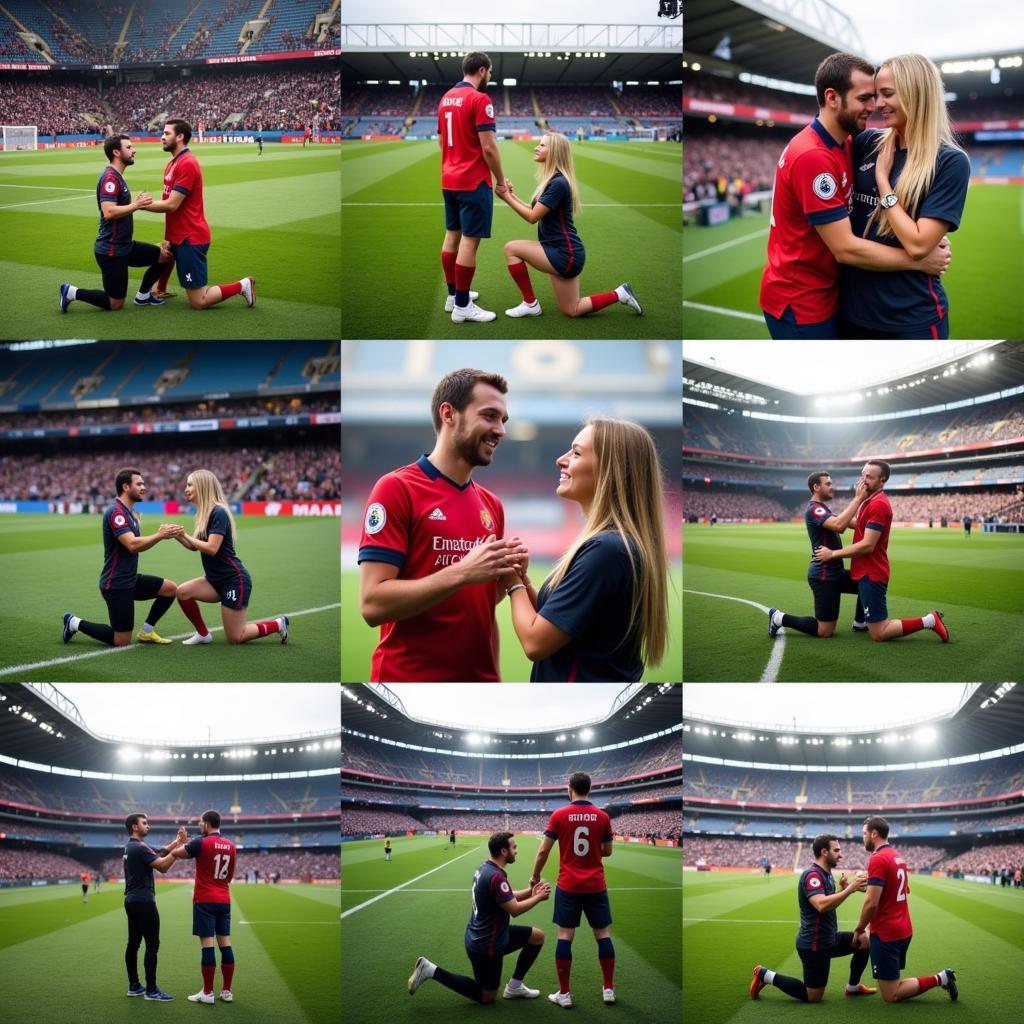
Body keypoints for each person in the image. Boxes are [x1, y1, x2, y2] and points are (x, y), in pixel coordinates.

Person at [759, 53, 951, 338]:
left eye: (876, 97)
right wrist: (918, 260)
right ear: (833, 98)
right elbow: (845, 248)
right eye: (864, 99)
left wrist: (927, 233)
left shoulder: (847, 143)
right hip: (801, 299)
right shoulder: (813, 156)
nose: (873, 107)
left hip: (831, 292)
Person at [357, 368, 527, 681]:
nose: (500, 429)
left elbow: (476, 605)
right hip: (410, 680)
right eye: (489, 416)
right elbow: (372, 604)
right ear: (448, 414)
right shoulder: (397, 488)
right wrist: (463, 571)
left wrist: (505, 581)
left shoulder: (493, 506)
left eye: (503, 420)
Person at [503, 418, 668, 682]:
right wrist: (523, 580)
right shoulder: (614, 545)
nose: (561, 459)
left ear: (610, 470)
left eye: (576, 453)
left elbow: (535, 642)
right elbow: (561, 620)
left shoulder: (607, 551)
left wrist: (511, 583)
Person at [840, 55, 971, 339]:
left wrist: (883, 184)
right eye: (876, 95)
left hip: (912, 318)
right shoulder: (865, 143)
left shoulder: (950, 162)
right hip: (852, 313)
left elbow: (918, 245)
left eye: (887, 94)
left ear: (916, 94)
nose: (878, 104)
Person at [496, 133, 644, 319]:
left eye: (542, 145)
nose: (536, 147)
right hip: (564, 251)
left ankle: (530, 303)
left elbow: (532, 217)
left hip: (565, 254)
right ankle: (620, 294)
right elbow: (533, 210)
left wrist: (506, 197)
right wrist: (510, 195)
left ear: (555, 152)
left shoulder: (558, 183)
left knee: (511, 248)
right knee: (571, 310)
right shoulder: (554, 180)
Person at [813, 460, 949, 642]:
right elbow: (857, 524)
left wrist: (833, 554)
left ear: (882, 480)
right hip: (865, 571)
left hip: (872, 572)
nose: (863, 480)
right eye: (863, 475)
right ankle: (860, 621)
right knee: (847, 587)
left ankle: (929, 620)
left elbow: (868, 545)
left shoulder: (878, 504)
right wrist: (829, 519)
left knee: (879, 633)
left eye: (869, 477)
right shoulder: (868, 501)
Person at [408, 831, 550, 1003]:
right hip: (487, 944)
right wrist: (538, 897)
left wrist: (530, 892)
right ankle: (430, 970)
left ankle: (514, 986)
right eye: (514, 847)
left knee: (537, 937)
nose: (516, 850)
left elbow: (507, 895)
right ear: (504, 851)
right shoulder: (496, 877)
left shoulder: (486, 868)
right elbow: (514, 909)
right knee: (487, 996)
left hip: (488, 934)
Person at [137, 120, 255, 309]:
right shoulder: (172, 163)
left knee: (199, 302)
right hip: (179, 234)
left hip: (191, 237)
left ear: (180, 137)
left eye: (167, 133)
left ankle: (242, 285)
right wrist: (169, 236)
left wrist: (141, 205)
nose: (162, 137)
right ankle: (160, 288)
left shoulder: (187, 163)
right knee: (166, 252)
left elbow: (172, 205)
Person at [169, 468, 290, 644]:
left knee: (235, 637)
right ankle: (203, 634)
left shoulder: (218, 512)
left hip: (234, 580)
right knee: (183, 592)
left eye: (189, 485)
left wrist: (185, 535)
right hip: (214, 580)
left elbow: (211, 548)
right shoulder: (204, 513)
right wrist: (177, 535)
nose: (186, 489)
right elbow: (194, 547)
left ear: (202, 487)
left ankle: (278, 624)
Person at [62, 467, 180, 647]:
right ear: (126, 487)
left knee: (170, 589)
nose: (144, 487)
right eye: (139, 483)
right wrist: (159, 535)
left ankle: (147, 632)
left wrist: (159, 535)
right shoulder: (116, 512)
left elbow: (137, 544)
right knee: (121, 640)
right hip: (115, 584)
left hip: (129, 579)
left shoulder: (130, 513)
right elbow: (132, 545)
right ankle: (74, 622)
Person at [750, 834, 875, 1003]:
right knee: (813, 996)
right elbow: (821, 905)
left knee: (863, 940)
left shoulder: (827, 874)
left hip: (828, 939)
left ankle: (853, 987)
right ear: (824, 852)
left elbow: (828, 904)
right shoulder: (812, 876)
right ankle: (765, 974)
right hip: (814, 944)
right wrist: (850, 890)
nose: (841, 854)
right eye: (836, 850)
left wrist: (842, 889)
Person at [528, 771, 616, 1008]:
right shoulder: (602, 816)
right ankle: (608, 989)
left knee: (565, 936)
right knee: (603, 935)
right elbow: (608, 851)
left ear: (570, 788)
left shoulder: (559, 815)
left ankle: (565, 994)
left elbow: (543, 851)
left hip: (568, 885)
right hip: (596, 885)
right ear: (590, 788)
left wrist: (535, 876)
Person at [850, 817, 958, 1002]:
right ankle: (940, 978)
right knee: (892, 981)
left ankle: (942, 978)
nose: (863, 838)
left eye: (864, 833)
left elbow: (872, 903)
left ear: (874, 834)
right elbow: (893, 893)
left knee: (891, 994)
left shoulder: (877, 858)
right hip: (903, 929)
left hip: (886, 934)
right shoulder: (898, 856)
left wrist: (860, 928)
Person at [437, 51, 509, 323]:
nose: (490, 75)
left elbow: (441, 141)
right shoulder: (480, 99)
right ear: (481, 70)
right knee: (469, 241)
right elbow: (489, 147)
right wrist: (501, 180)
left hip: (449, 178)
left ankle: (453, 296)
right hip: (473, 180)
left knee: (451, 235)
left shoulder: (445, 99)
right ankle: (463, 306)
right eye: (489, 71)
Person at [59, 135, 167, 313]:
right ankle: (71, 292)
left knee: (164, 256)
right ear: (116, 152)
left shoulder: (117, 176)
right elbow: (109, 212)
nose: (134, 150)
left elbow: (118, 207)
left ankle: (143, 296)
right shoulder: (110, 178)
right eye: (129, 147)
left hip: (124, 246)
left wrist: (134, 203)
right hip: (111, 250)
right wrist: (136, 205)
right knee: (115, 303)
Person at [768, 471, 868, 639]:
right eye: (828, 484)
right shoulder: (814, 510)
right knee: (825, 630)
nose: (832, 486)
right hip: (823, 576)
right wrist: (857, 499)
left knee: (868, 583)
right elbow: (839, 525)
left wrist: (871, 508)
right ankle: (778, 618)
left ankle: (860, 622)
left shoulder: (823, 509)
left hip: (836, 572)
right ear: (816, 487)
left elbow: (854, 523)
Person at [166, 810, 238, 1004]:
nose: (199, 826)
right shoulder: (231, 846)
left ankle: (207, 993)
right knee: (226, 943)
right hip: (224, 899)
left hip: (205, 899)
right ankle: (227, 991)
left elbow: (175, 853)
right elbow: (230, 876)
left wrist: (182, 841)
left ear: (206, 824)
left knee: (207, 945)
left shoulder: (201, 842)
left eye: (200, 823)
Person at [123, 812, 189, 1002]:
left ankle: (134, 986)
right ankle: (151, 990)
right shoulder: (141, 847)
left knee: (133, 944)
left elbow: (158, 852)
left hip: (131, 900)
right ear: (135, 827)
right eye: (144, 823)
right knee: (152, 945)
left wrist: (176, 842)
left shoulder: (131, 846)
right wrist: (179, 850)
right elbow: (162, 866)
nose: (148, 826)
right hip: (144, 900)